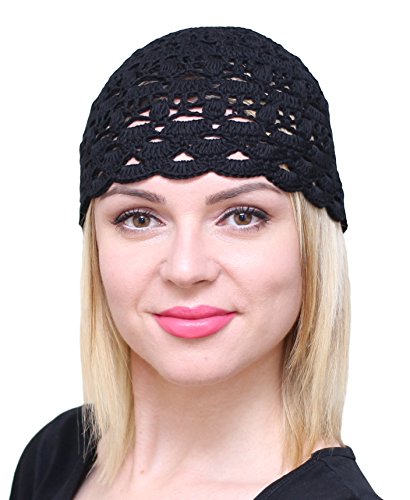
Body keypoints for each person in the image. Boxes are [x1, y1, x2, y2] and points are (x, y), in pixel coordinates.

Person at [10, 26, 381, 499]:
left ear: (311, 246)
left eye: (242, 216)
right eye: (139, 218)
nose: (185, 269)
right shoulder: (54, 456)